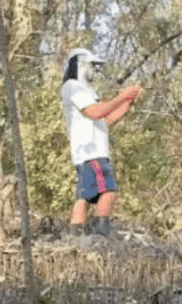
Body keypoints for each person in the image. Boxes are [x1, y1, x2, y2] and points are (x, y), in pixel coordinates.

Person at [60, 48, 142, 237]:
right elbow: (96, 112)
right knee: (109, 192)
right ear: (80, 64)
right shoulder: (73, 86)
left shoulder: (87, 91)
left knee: (85, 196)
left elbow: (106, 121)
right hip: (91, 152)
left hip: (91, 151)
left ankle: (75, 236)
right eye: (92, 65)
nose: (95, 70)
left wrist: (129, 102)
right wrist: (122, 95)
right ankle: (101, 236)